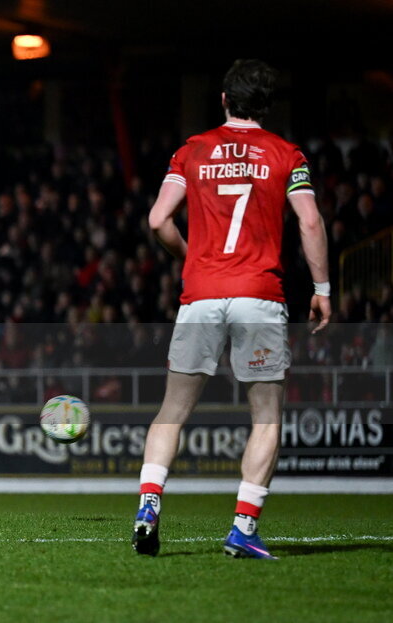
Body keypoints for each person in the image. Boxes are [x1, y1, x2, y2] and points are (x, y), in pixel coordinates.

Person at [132, 60, 331, 559]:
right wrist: (323, 287)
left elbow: (158, 218)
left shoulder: (192, 150)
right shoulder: (286, 155)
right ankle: (243, 527)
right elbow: (309, 222)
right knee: (265, 415)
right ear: (266, 105)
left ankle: (148, 508)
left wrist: (190, 256)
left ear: (224, 99)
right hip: (259, 295)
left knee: (172, 410)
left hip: (200, 293)